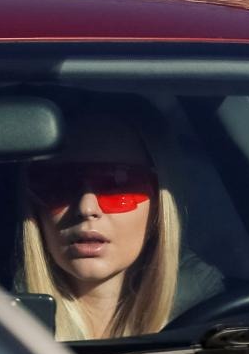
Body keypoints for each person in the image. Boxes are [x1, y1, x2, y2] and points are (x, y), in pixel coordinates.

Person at [18, 110, 222, 340]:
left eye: (117, 183)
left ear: (159, 204)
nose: (86, 208)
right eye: (60, 183)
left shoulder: (216, 328)